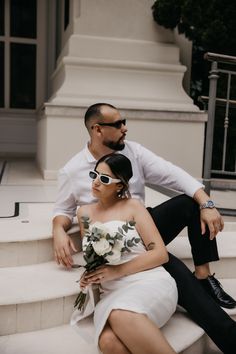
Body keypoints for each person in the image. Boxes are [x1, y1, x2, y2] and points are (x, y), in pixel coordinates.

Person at [53, 102, 236, 353]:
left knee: (190, 202)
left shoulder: (134, 152)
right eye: (118, 124)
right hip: (111, 237)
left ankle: (203, 275)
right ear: (97, 130)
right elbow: (62, 211)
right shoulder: (72, 170)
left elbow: (174, 174)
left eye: (124, 121)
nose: (125, 128)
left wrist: (207, 202)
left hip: (144, 223)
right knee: (177, 275)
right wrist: (58, 231)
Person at [72, 153, 178, 354]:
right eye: (94, 175)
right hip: (112, 291)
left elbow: (160, 254)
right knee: (108, 342)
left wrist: (117, 271)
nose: (95, 182)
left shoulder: (133, 206)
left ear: (119, 185)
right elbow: (92, 255)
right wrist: (90, 275)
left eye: (104, 179)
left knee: (120, 314)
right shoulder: (84, 213)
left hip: (148, 282)